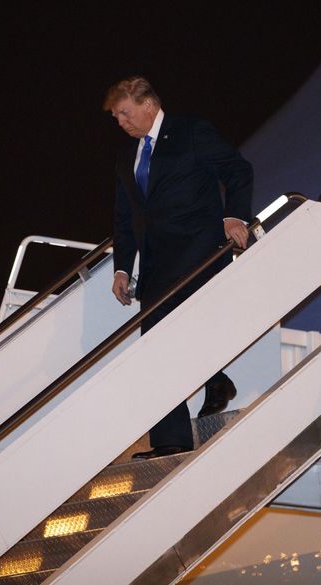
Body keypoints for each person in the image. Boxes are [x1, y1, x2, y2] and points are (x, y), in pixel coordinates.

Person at [104, 75, 253, 460]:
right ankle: (171, 439)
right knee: (156, 349)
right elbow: (125, 216)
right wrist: (122, 268)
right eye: (117, 117)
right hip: (155, 263)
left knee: (190, 332)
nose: (121, 122)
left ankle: (214, 381)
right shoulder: (127, 155)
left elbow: (237, 170)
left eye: (124, 113)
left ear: (148, 104)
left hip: (199, 251)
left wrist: (234, 216)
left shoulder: (190, 132)